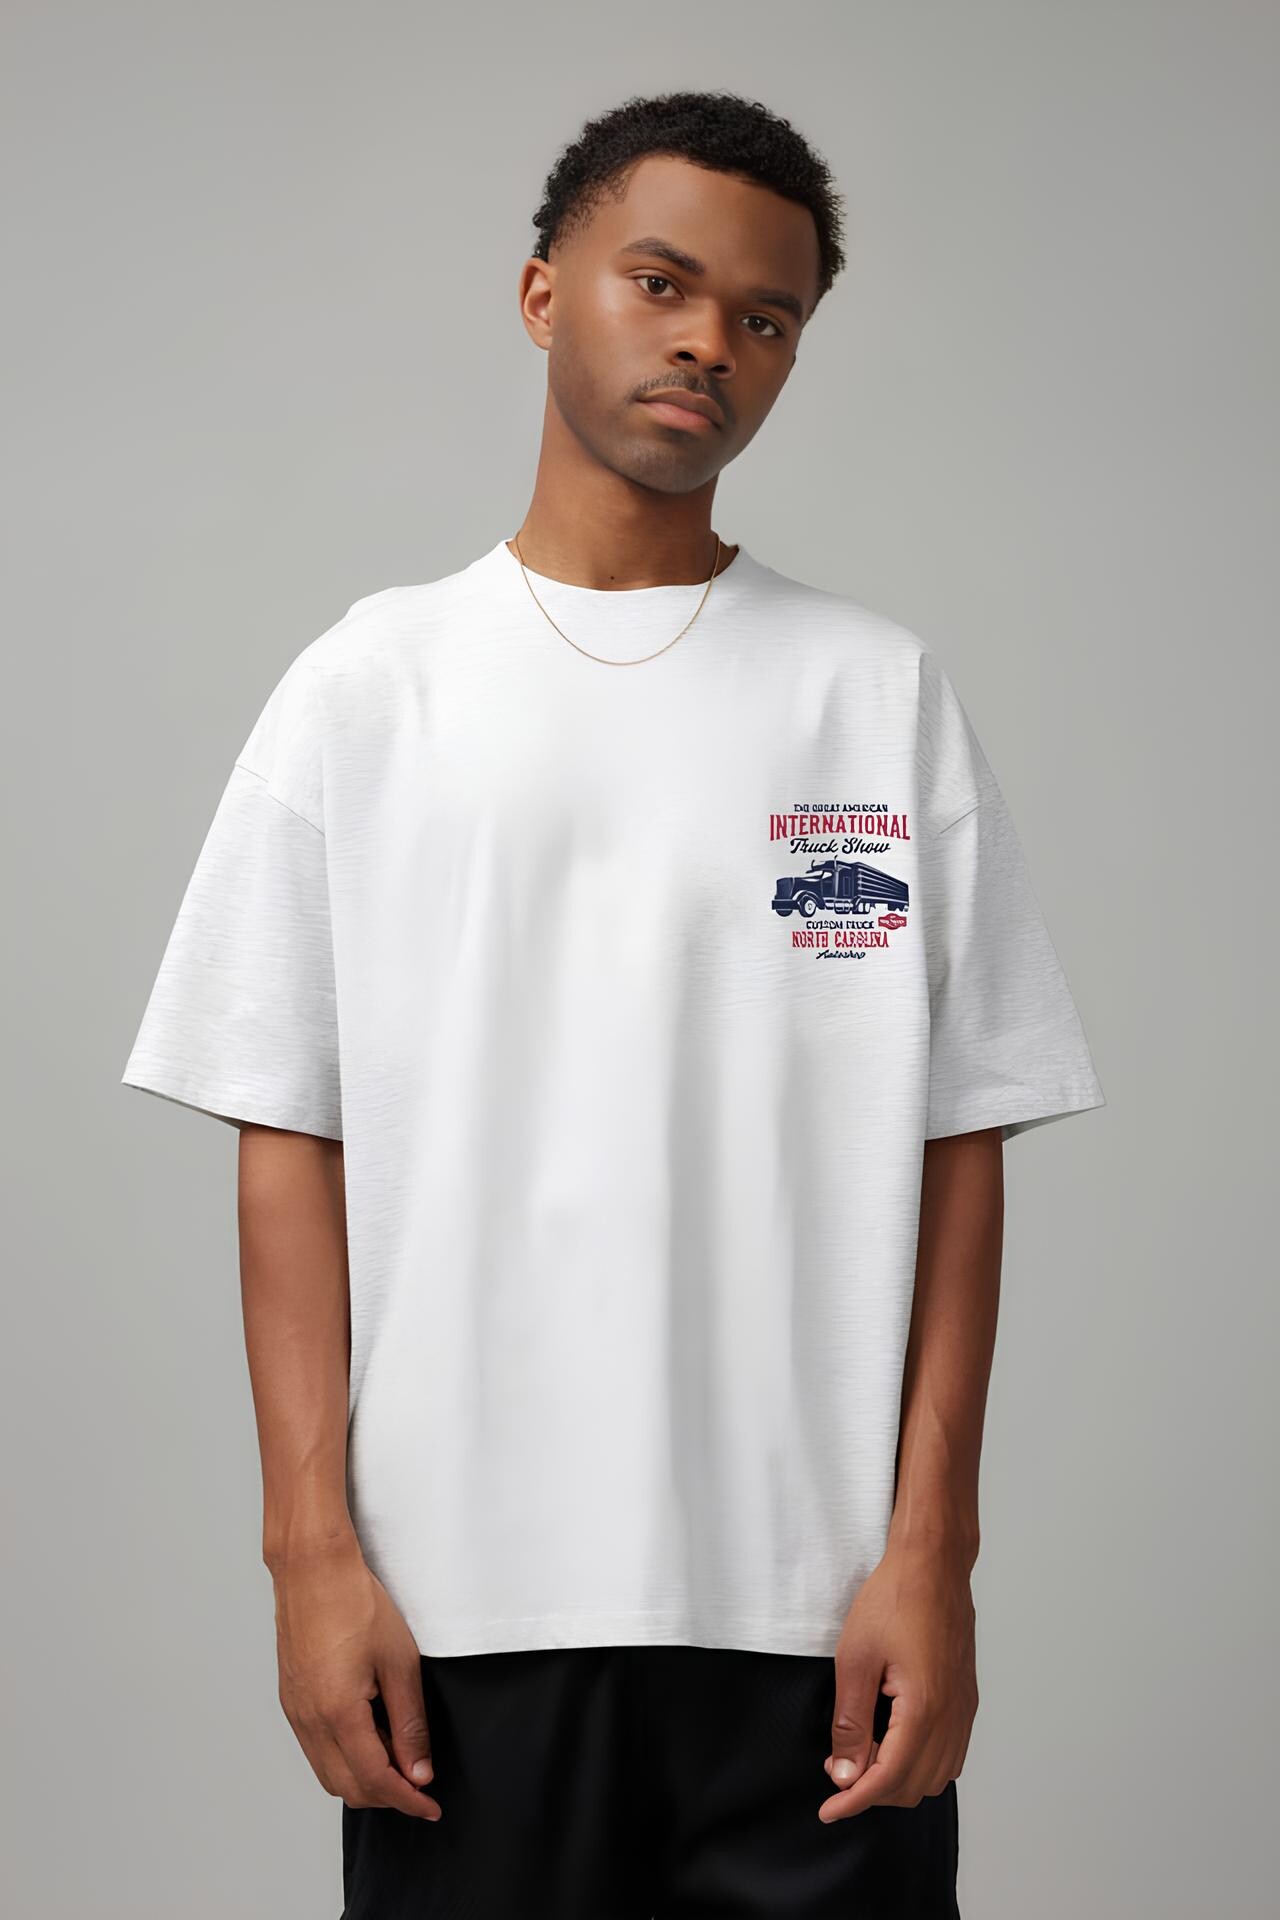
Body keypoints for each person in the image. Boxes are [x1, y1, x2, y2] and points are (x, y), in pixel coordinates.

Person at [121, 88, 1105, 1919]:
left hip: (817, 1637)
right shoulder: (371, 689)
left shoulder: (875, 699)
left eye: (766, 316)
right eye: (661, 282)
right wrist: (308, 1559)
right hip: (463, 1632)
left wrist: (934, 1558)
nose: (708, 341)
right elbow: (288, 1146)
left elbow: (957, 1153)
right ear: (540, 293)